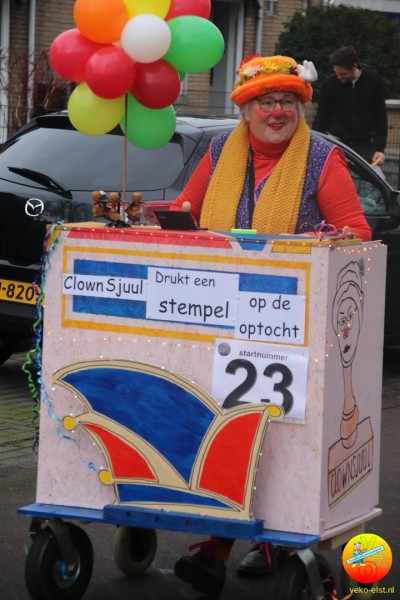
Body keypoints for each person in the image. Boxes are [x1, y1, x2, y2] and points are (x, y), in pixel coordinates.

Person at [171, 53, 372, 597]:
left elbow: (356, 233)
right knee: (226, 427)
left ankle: (260, 542)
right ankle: (222, 544)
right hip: (222, 318)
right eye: (265, 102)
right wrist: (160, 219)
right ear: (246, 109)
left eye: (286, 101)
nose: (277, 111)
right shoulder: (220, 150)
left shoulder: (322, 156)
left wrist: (310, 244)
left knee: (278, 433)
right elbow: (188, 213)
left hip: (295, 324)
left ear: (299, 106)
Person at [312, 46, 387, 167]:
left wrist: (380, 149)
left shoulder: (374, 82)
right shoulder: (329, 85)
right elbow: (321, 117)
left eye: (343, 73)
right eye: (336, 73)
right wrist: (314, 146)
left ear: (354, 67)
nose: (339, 77)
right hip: (337, 144)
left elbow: (380, 117)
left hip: (365, 146)